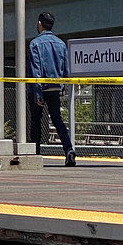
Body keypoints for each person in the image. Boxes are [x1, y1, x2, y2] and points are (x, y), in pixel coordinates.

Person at [28, 12, 75, 166]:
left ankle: (36, 154)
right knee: (57, 119)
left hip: (39, 88)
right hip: (55, 87)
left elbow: (36, 69)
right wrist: (62, 86)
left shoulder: (35, 44)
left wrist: (37, 91)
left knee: (36, 120)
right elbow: (65, 68)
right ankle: (68, 149)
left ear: (40, 23)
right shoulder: (60, 44)